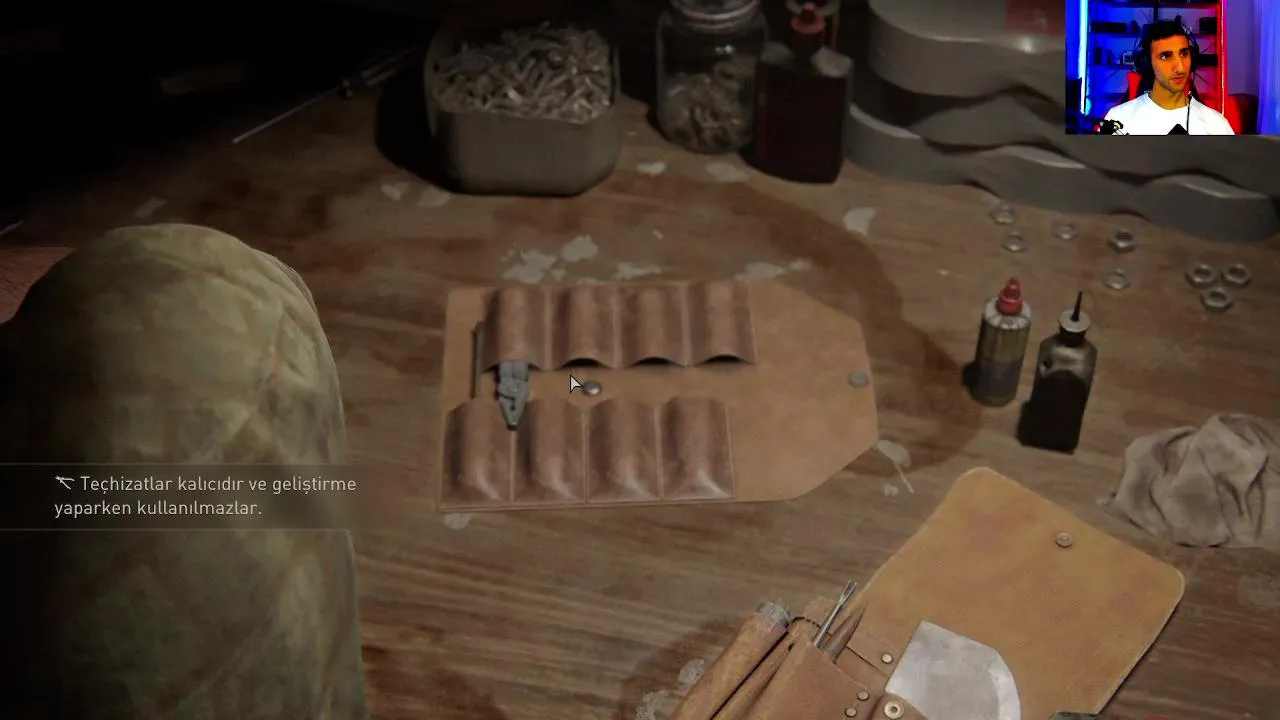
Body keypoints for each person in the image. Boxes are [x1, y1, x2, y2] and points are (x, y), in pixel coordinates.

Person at [1103, 20, 1235, 135]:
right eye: (1166, 56)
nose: (1180, 68)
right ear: (1147, 63)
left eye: (1184, 54)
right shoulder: (1118, 119)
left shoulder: (1216, 125)